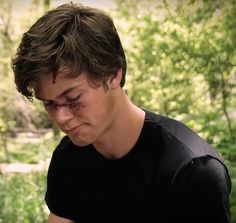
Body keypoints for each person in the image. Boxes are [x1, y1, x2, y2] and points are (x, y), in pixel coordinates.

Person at [11, 2, 231, 223]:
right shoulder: (69, 157)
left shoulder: (192, 171)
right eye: (49, 103)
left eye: (73, 99)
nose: (61, 118)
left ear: (114, 74)